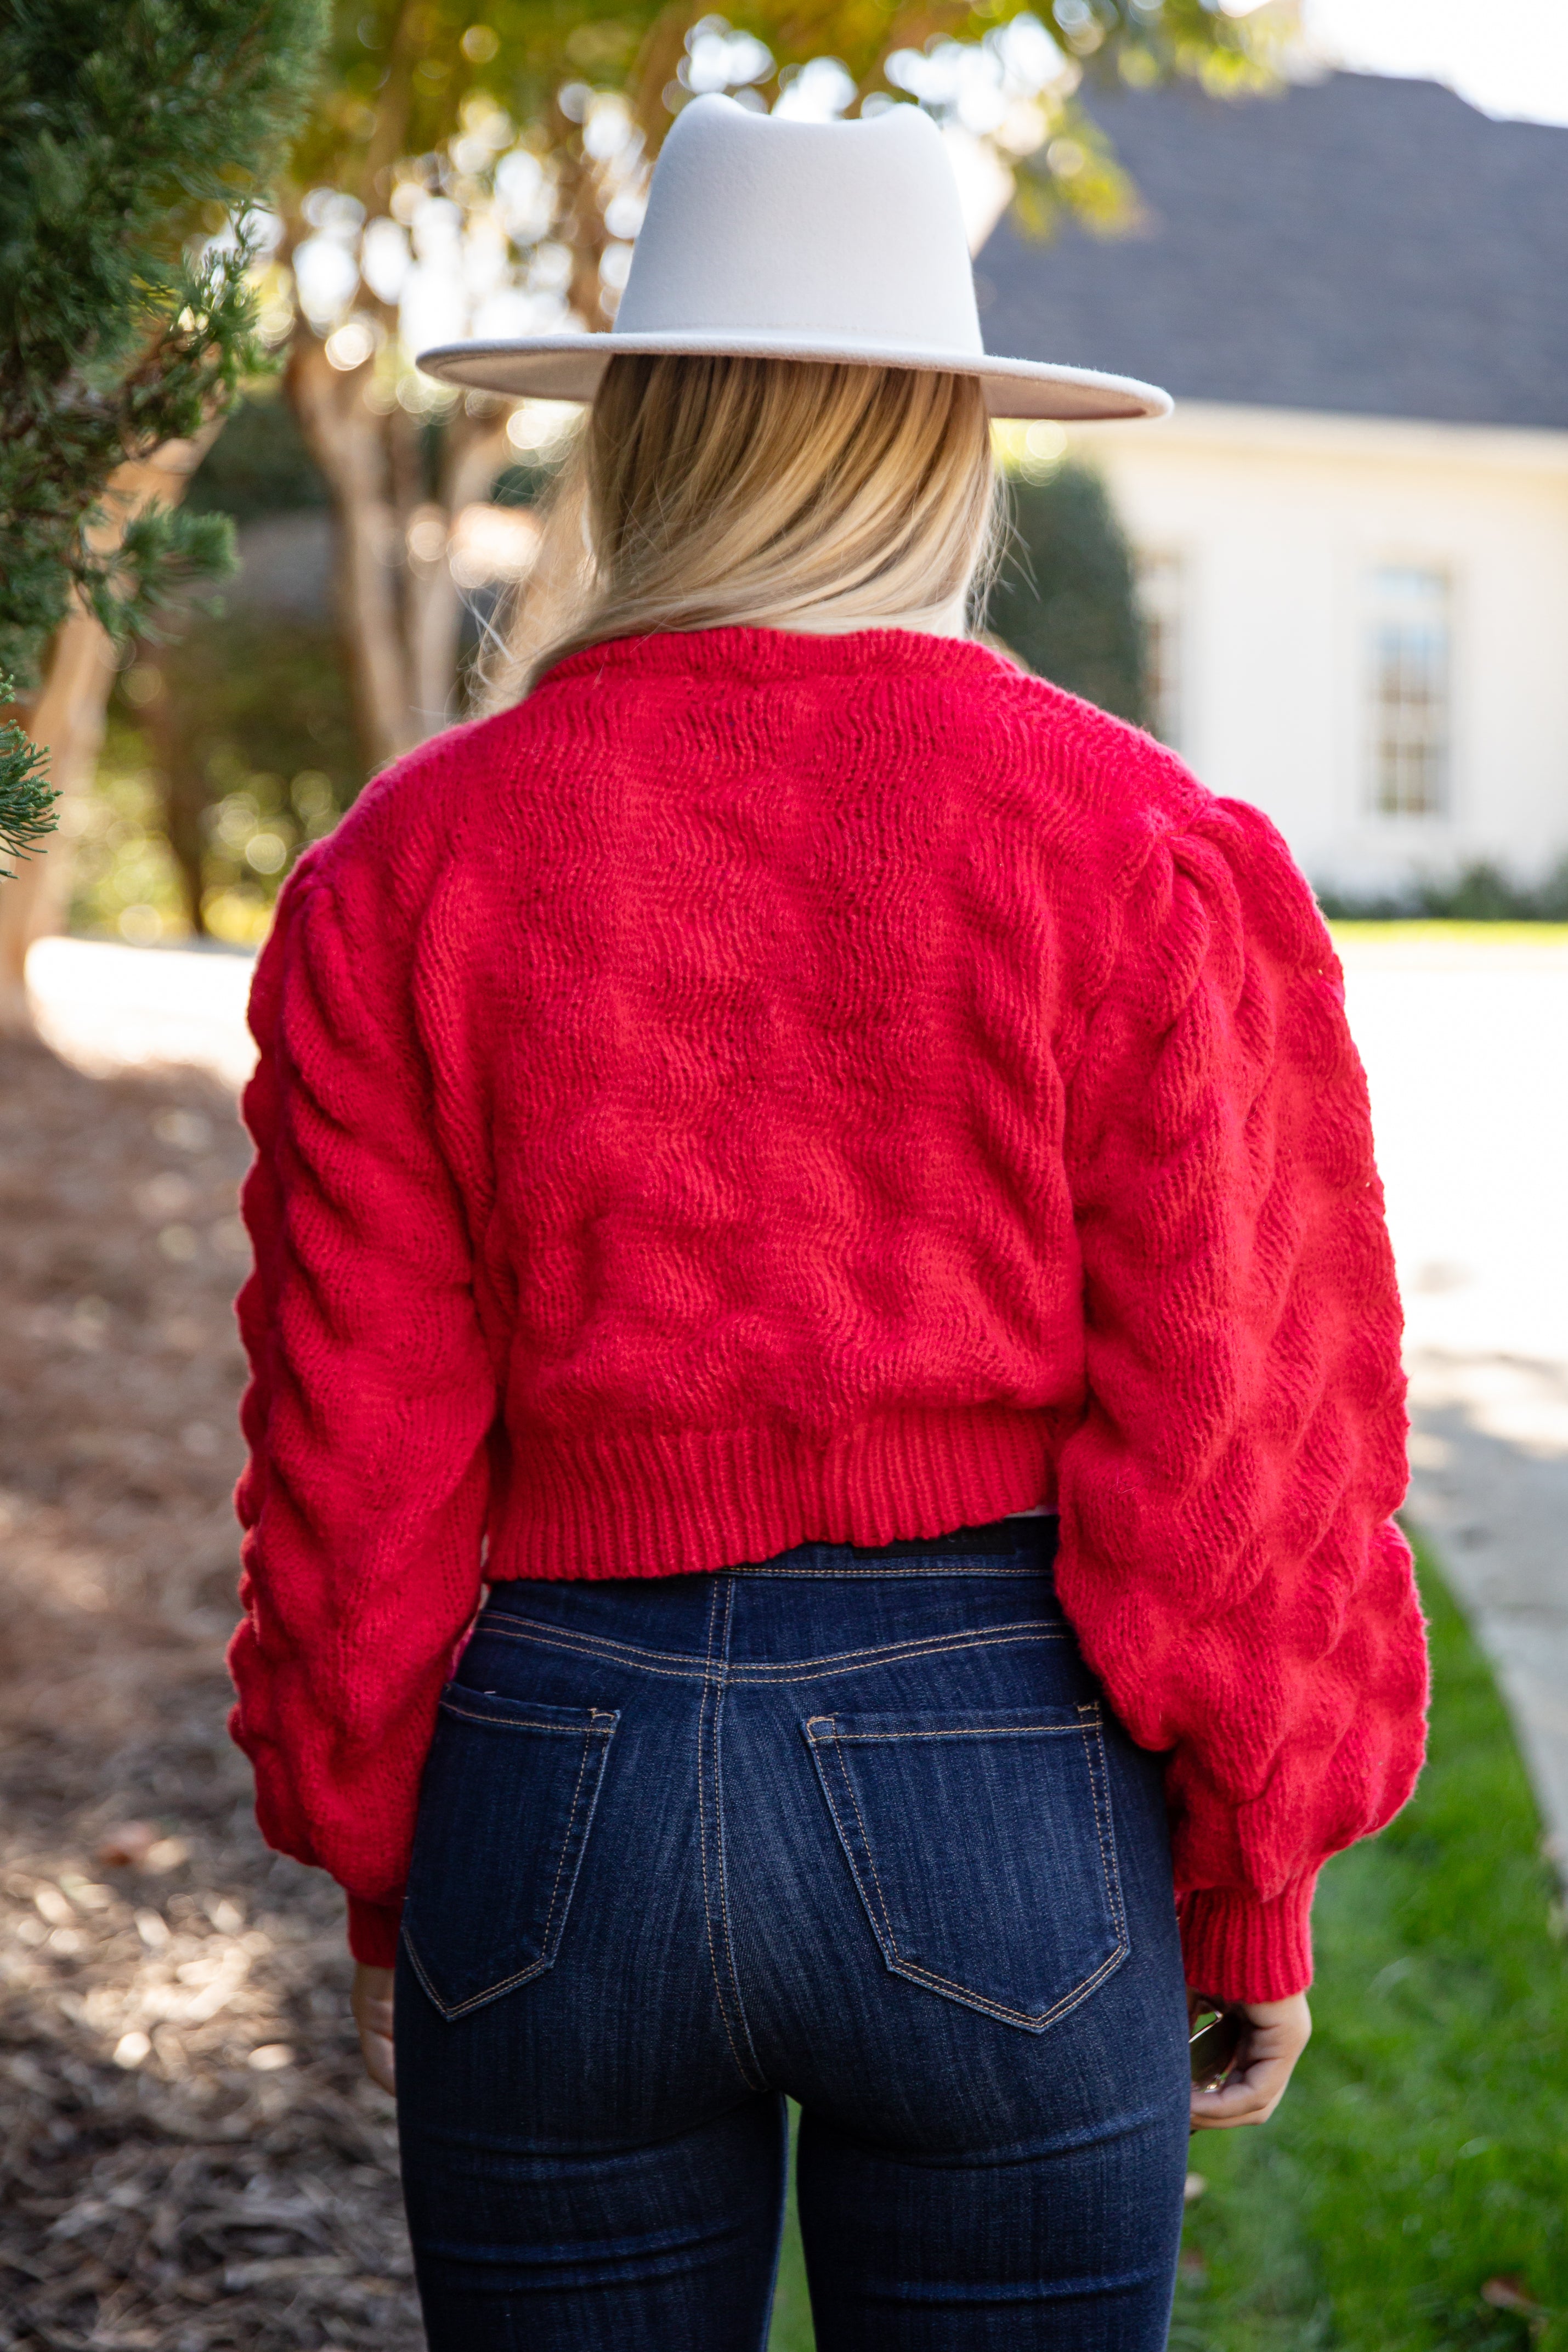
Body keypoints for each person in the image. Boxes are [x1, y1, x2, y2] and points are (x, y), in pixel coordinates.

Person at [228, 93, 1428, 2352]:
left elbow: (355, 1456)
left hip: (549, 1787)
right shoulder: (1138, 848)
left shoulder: (408, 870)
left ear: (642, 445)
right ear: (943, 454)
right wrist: (1252, 1875)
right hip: (1009, 1788)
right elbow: (1239, 1424)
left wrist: (392, 1852)